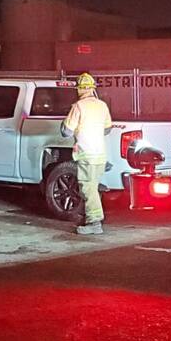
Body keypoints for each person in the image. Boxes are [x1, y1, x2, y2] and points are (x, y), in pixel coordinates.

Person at [61, 72, 113, 235]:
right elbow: (107, 128)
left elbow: (66, 132)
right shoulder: (102, 105)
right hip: (100, 155)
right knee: (92, 187)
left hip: (86, 154)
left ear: (79, 89)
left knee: (88, 189)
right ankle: (89, 217)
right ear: (92, 88)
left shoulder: (78, 106)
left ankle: (94, 223)